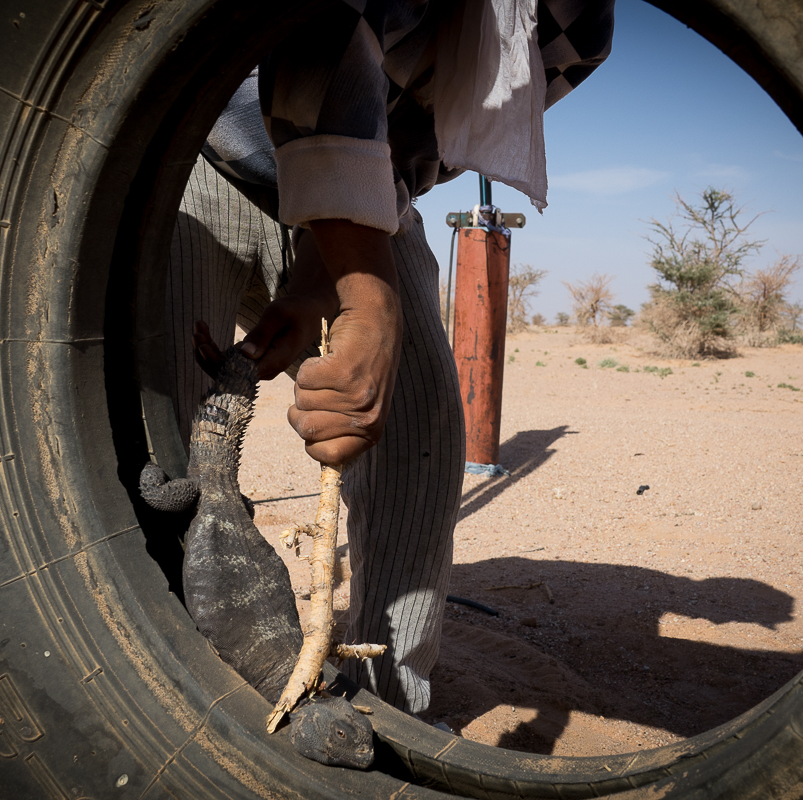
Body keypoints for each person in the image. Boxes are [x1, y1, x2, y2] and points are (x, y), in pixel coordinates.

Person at [170, 0, 615, 714]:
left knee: (419, 434)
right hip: (193, 157)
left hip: (370, 202)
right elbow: (313, 35)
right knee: (154, 432)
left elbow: (412, 137)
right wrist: (369, 301)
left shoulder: (576, 32)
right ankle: (168, 693)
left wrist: (324, 272)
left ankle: (390, 708)